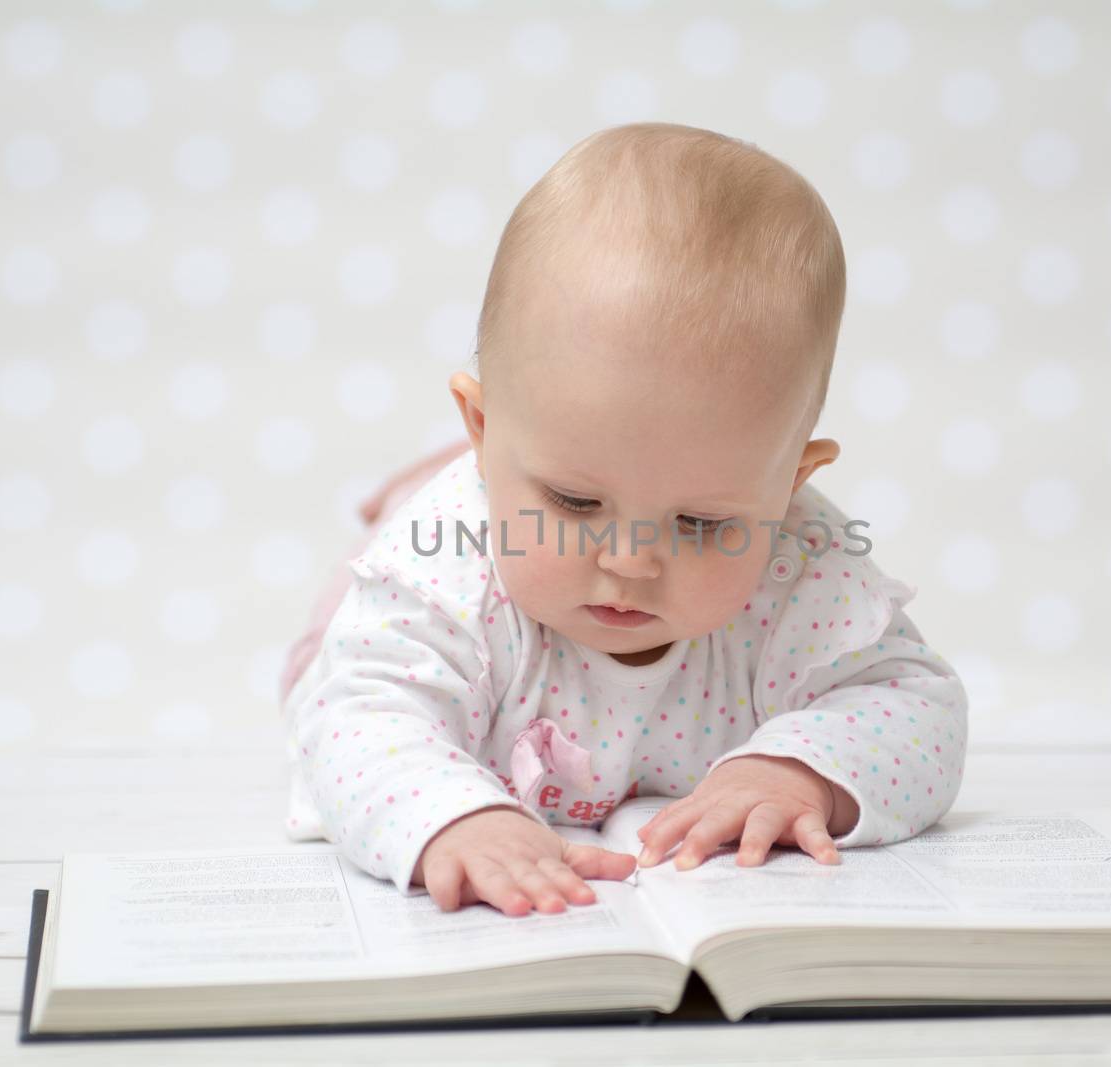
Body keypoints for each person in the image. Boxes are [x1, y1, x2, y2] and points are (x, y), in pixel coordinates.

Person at [279, 122, 969, 918]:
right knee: (323, 663)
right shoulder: (440, 575)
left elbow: (918, 707)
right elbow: (355, 717)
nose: (632, 559)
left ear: (790, 484)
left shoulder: (801, 562)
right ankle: (443, 472)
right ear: (482, 423)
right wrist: (458, 817)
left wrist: (800, 769)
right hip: (402, 601)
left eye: (702, 520)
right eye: (577, 501)